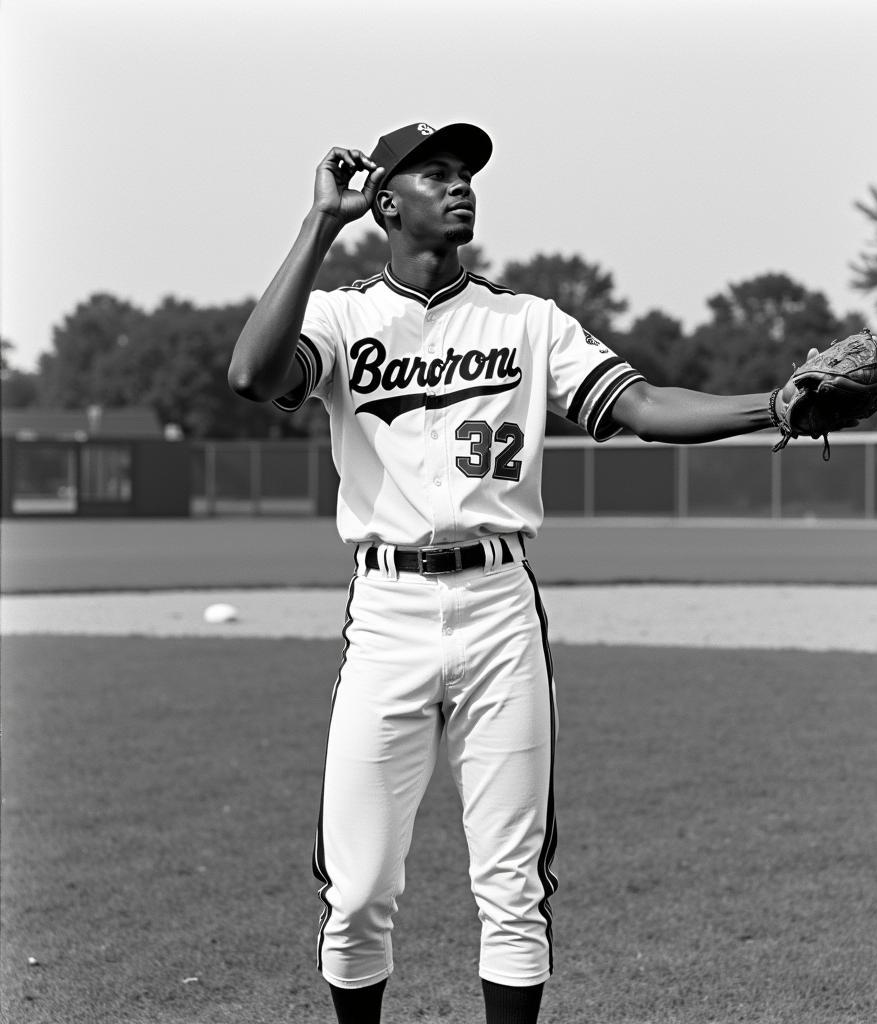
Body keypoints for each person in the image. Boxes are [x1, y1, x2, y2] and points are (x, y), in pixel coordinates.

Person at [227, 121, 828, 1024]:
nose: (461, 184)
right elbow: (249, 373)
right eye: (436, 173)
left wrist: (769, 404)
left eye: (466, 172)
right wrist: (318, 225)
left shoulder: (527, 321)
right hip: (386, 609)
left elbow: (643, 404)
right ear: (385, 201)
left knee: (510, 888)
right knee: (354, 896)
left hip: (500, 606)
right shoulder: (344, 317)